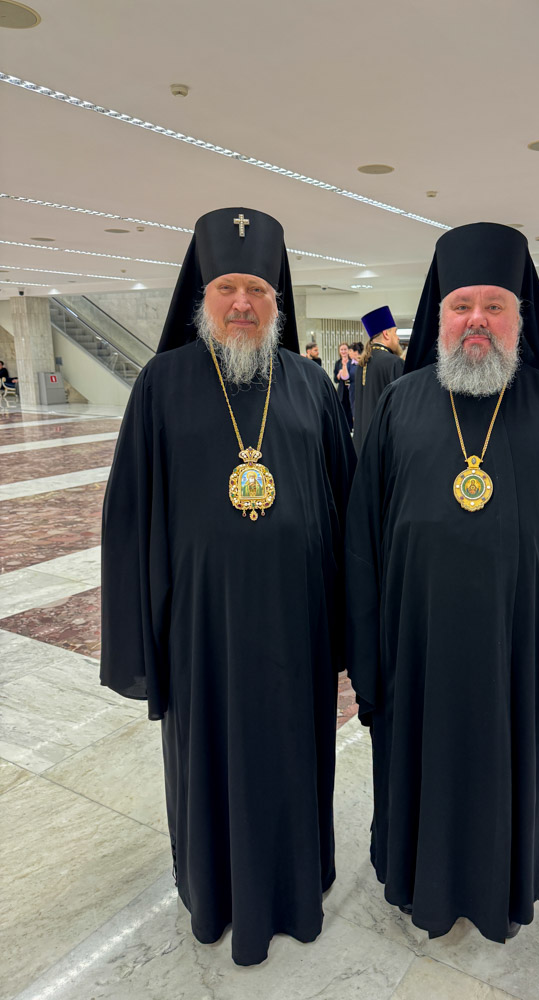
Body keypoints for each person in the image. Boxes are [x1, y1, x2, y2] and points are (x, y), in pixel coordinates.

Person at [346, 222, 539, 944]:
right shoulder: (400, 403)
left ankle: (507, 882)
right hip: (417, 649)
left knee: (512, 769)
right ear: (439, 317)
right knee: (419, 766)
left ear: (520, 319)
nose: (476, 320)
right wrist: (368, 656)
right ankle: (416, 878)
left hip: (522, 654)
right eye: (461, 305)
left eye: (494, 306)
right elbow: (363, 541)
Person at [100, 207, 355, 966]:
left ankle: (296, 884)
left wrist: (349, 626)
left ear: (278, 301)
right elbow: (129, 516)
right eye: (227, 289)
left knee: (295, 755)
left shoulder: (311, 385)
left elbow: (346, 510)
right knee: (207, 760)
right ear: (202, 297)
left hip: (297, 627)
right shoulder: (162, 382)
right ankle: (212, 889)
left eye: (257, 290)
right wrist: (140, 638)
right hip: (201, 630)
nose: (242, 303)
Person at [352, 306, 404, 453]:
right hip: (384, 444)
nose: (398, 338)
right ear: (386, 334)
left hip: (362, 444)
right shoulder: (394, 362)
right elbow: (401, 409)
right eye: (395, 332)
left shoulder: (362, 363)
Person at [333, 341, 354, 430]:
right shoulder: (338, 363)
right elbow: (335, 379)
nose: (343, 351)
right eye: (341, 349)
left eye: (345, 349)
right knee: (343, 411)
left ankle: (352, 428)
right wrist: (338, 375)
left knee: (351, 410)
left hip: (351, 389)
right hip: (342, 391)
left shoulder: (352, 361)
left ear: (348, 350)